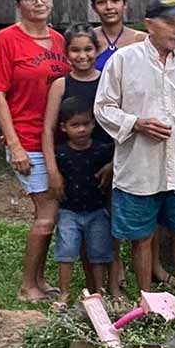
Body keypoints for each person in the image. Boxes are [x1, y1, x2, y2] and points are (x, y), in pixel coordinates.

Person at [94, 0, 175, 301]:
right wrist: (136, 123)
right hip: (139, 167)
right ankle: (146, 298)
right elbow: (103, 108)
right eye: (170, 23)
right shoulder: (124, 61)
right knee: (142, 236)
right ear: (149, 25)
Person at [0, 0, 69, 302]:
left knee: (49, 214)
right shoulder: (7, 39)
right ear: (18, 5)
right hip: (27, 139)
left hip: (57, 140)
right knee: (46, 214)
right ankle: (26, 286)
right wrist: (14, 143)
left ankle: (39, 279)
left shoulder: (59, 40)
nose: (39, 3)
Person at [40, 23, 122, 296]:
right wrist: (52, 170)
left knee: (110, 224)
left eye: (88, 49)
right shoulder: (61, 84)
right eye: (75, 50)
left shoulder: (108, 80)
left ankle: (113, 285)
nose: (82, 55)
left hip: (107, 160)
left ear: (97, 50)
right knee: (79, 223)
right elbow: (48, 129)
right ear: (66, 53)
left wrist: (114, 164)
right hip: (72, 164)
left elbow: (121, 125)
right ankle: (92, 286)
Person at [51, 97, 114, 311]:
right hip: (68, 212)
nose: (81, 129)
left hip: (98, 211)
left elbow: (120, 158)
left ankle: (99, 292)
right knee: (66, 252)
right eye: (75, 125)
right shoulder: (60, 153)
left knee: (99, 254)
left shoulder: (102, 150)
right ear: (64, 127)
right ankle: (64, 293)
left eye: (86, 124)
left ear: (93, 123)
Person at [89, 0, 147, 71]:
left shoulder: (141, 40)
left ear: (125, 4)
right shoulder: (87, 39)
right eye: (101, 2)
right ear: (94, 7)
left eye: (115, 1)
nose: (109, 7)